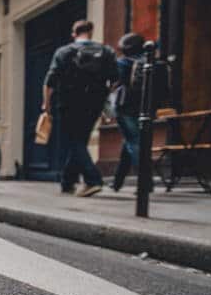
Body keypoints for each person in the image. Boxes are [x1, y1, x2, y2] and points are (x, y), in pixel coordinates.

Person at [42, 20, 117, 197]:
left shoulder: (64, 52)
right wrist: (104, 97)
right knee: (79, 142)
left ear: (74, 34)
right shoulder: (106, 51)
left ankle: (93, 180)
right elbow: (115, 80)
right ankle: (68, 182)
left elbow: (50, 80)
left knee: (73, 141)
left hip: (68, 102)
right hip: (94, 103)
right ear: (91, 32)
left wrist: (46, 104)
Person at [111, 33, 145, 192]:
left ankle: (146, 182)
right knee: (130, 142)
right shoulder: (150, 60)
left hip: (126, 107)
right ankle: (117, 181)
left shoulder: (123, 63)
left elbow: (112, 83)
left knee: (134, 143)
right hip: (145, 108)